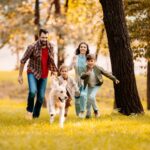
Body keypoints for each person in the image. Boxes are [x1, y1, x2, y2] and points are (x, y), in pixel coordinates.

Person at [18, 29, 58, 119]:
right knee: (32, 91)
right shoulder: (32, 47)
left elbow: (52, 60)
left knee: (40, 97)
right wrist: (20, 75)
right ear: (39, 36)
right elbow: (23, 61)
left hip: (44, 74)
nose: (44, 39)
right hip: (33, 71)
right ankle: (29, 111)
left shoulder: (50, 46)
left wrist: (53, 71)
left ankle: (35, 116)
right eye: (43, 37)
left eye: (46, 38)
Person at [81, 54, 120, 118]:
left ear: (94, 61)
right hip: (90, 85)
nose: (90, 62)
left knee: (91, 97)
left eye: (92, 61)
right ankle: (88, 114)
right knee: (89, 99)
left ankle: (96, 111)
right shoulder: (85, 68)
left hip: (97, 84)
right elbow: (82, 76)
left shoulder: (98, 68)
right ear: (86, 61)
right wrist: (86, 74)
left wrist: (114, 79)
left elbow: (106, 73)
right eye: (88, 61)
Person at [69, 42, 90, 118]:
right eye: (81, 47)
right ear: (79, 48)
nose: (83, 48)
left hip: (85, 80)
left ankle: (82, 112)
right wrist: (73, 63)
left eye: (84, 47)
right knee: (77, 99)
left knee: (83, 95)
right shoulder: (75, 57)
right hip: (76, 80)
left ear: (87, 49)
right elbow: (70, 68)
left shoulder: (88, 58)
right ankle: (78, 115)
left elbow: (92, 69)